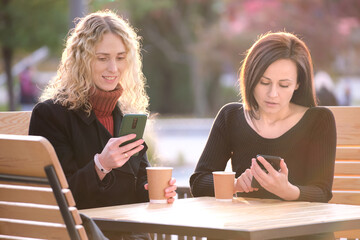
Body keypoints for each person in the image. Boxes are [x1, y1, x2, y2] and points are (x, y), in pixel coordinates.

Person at [29, 10, 177, 239]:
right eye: (102, 58)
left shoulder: (127, 116)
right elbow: (55, 200)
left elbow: (138, 185)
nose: (113, 68)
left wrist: (155, 191)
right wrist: (101, 165)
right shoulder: (51, 115)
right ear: (82, 60)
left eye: (120, 57)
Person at [190, 32, 336, 239]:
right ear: (250, 78)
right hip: (248, 229)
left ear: (298, 84)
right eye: (264, 82)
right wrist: (235, 185)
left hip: (303, 233)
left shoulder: (319, 120)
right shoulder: (230, 116)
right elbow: (198, 182)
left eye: (284, 85)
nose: (272, 94)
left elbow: (322, 192)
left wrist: (288, 191)